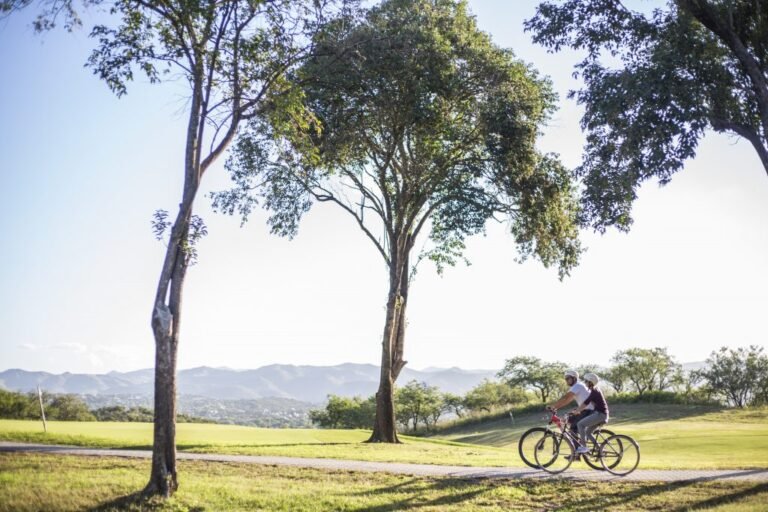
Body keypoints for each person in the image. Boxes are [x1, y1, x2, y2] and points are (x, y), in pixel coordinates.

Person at [546, 369, 593, 437]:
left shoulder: (577, 385)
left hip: (588, 410)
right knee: (567, 419)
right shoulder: (577, 386)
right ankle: (578, 437)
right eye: (565, 379)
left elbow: (565, 397)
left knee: (573, 427)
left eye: (568, 378)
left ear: (574, 378)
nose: (566, 380)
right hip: (585, 410)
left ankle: (578, 447)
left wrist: (553, 406)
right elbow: (567, 400)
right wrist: (556, 407)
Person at [574, 372, 609, 454]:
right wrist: (578, 410)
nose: (585, 383)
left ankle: (584, 447)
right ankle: (600, 449)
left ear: (591, 382)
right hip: (601, 414)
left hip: (600, 414)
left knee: (580, 425)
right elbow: (587, 404)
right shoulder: (594, 390)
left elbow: (586, 403)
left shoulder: (594, 391)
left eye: (586, 381)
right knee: (588, 432)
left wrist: (577, 411)